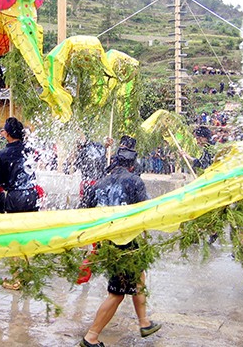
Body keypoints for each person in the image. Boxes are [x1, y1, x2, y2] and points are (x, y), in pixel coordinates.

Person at [81, 138, 161, 346]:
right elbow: (146, 210)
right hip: (125, 243)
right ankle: (91, 336)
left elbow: (86, 212)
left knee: (139, 278)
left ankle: (144, 322)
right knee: (116, 293)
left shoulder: (99, 183)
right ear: (133, 165)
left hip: (107, 242)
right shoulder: (135, 181)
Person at [0, 117, 40, 213]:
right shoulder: (29, 149)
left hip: (14, 197)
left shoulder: (2, 155)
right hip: (31, 194)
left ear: (7, 134)